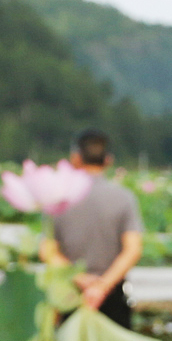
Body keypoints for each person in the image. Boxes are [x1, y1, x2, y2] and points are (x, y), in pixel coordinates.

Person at [40, 128, 144, 328]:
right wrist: (102, 286)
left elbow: (47, 251)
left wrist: (79, 278)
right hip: (112, 293)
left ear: (75, 158)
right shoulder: (124, 197)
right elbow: (133, 250)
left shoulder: (58, 199)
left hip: (68, 293)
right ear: (108, 160)